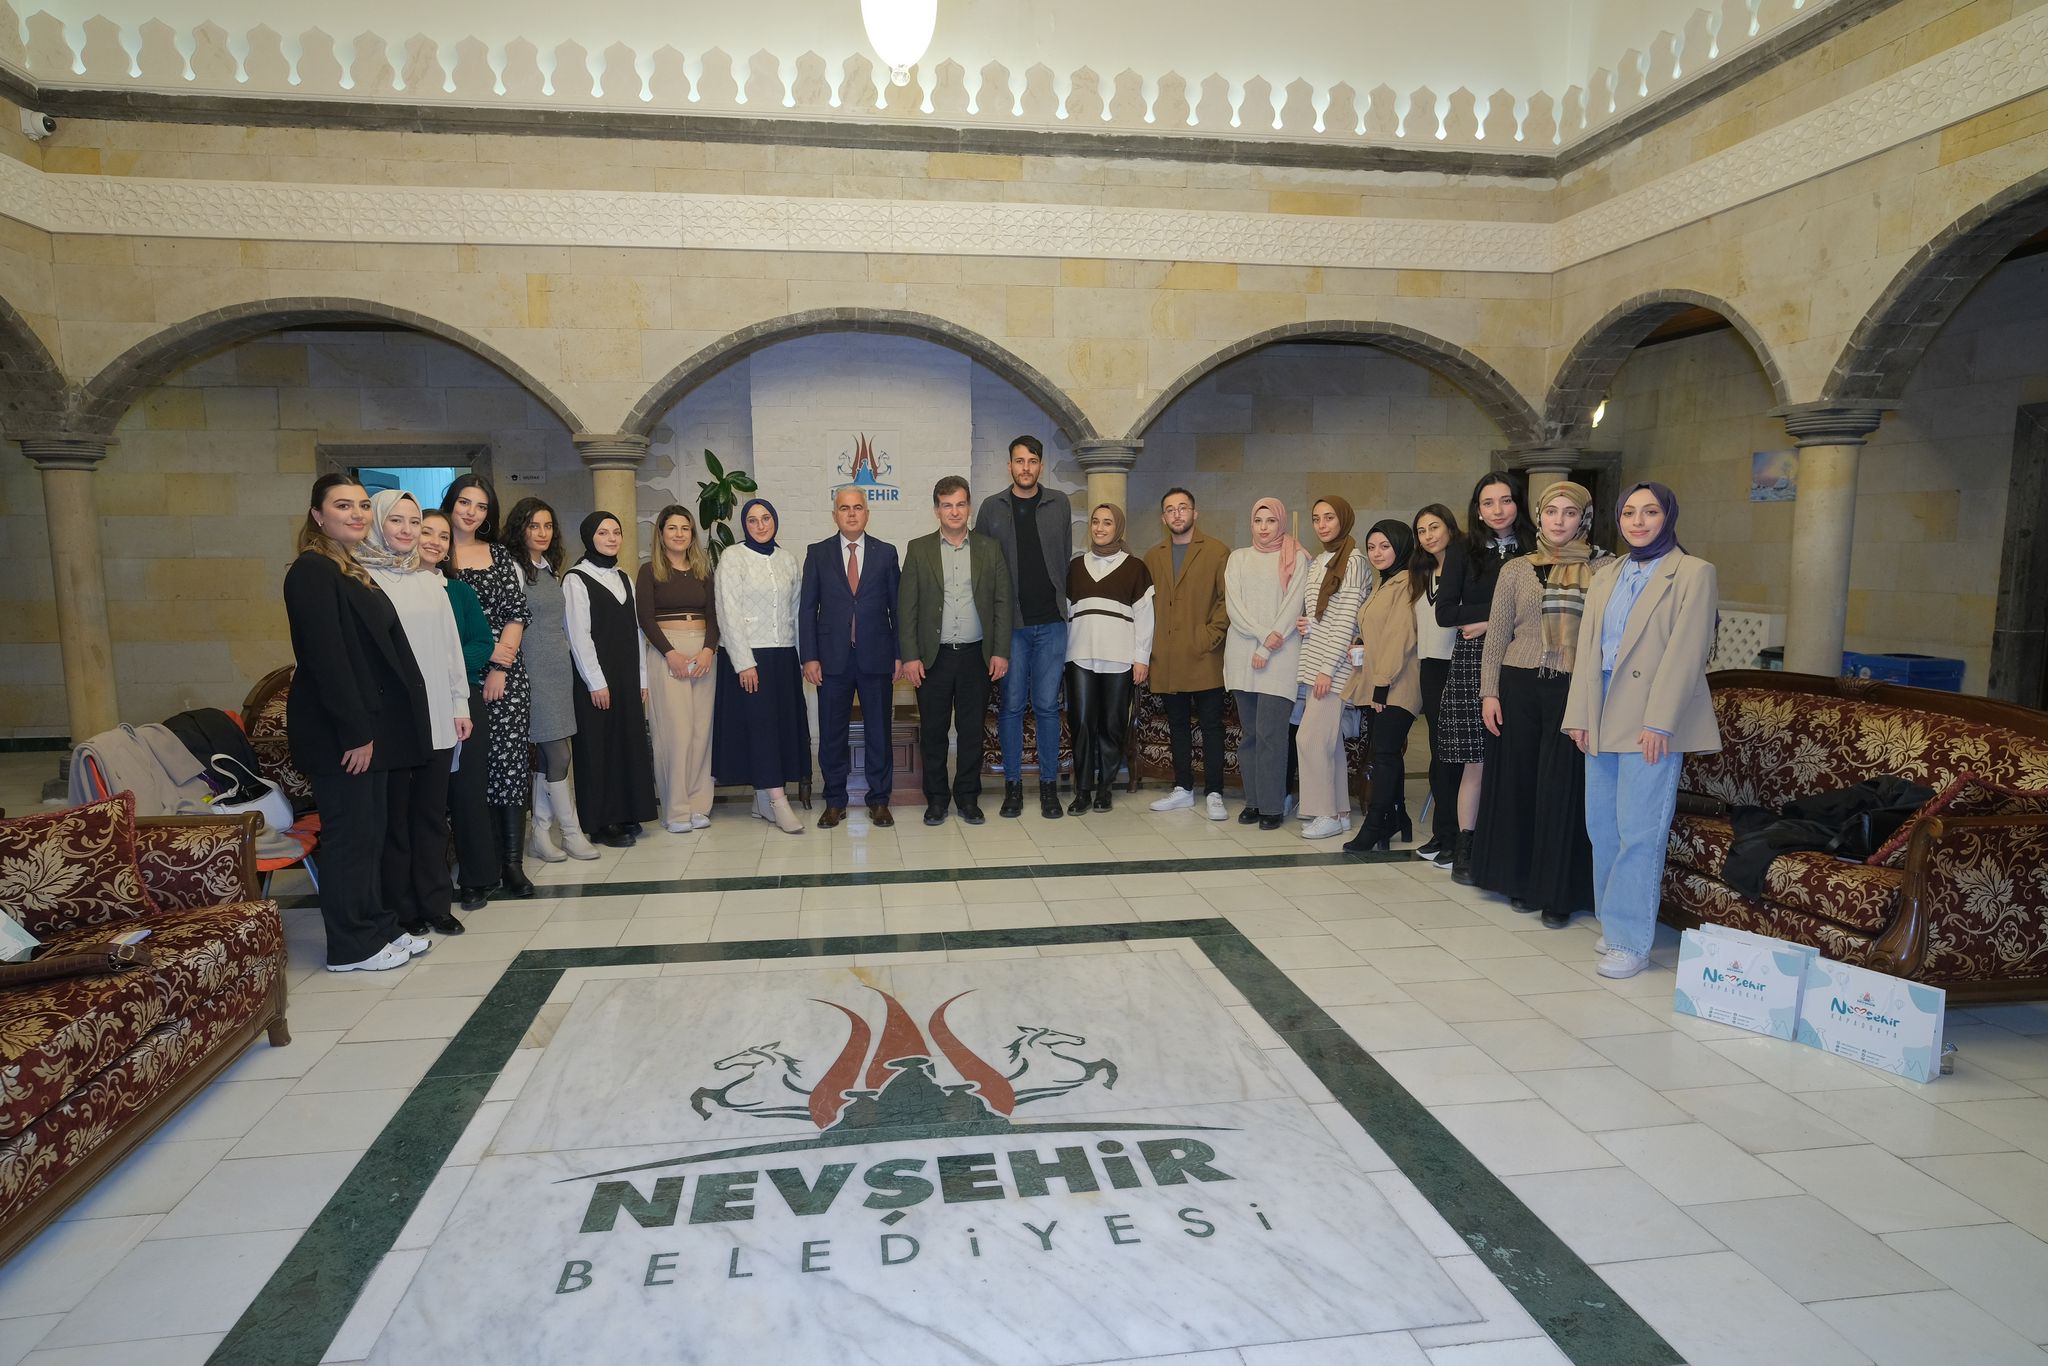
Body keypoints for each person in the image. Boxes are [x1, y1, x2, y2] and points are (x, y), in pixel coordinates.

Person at [1565, 483, 1721, 979]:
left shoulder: (1693, 572)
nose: (1638, 521)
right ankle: (1613, 923)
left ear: (1667, 516)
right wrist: (1579, 715)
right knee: (1601, 827)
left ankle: (1630, 941)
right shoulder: (1607, 574)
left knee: (1639, 831)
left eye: (1650, 512)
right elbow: (1587, 650)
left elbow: (1687, 652)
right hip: (1602, 709)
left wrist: (1661, 722)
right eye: (1629, 512)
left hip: (1651, 717)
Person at [282, 474, 432, 973]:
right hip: (342, 734)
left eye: (363, 505)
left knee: (372, 834)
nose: (357, 514)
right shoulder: (310, 572)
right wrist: (355, 732)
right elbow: (327, 659)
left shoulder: (348, 568)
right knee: (350, 839)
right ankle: (350, 946)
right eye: (343, 505)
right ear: (318, 515)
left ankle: (377, 924)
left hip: (372, 728)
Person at [1474, 480, 1607, 927]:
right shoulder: (1517, 569)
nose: (1559, 521)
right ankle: (1520, 880)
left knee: (1562, 787)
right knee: (1519, 783)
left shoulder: (1605, 567)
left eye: (1570, 513)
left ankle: (1557, 892)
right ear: (1539, 516)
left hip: (1574, 687)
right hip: (1519, 684)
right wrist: (1489, 692)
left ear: (1584, 518)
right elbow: (1497, 633)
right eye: (1552, 511)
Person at [353, 491, 468, 938]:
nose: (406, 530)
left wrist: (459, 703)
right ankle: (402, 910)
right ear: (378, 523)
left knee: (431, 816)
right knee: (396, 820)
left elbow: (450, 649)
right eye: (396, 520)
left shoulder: (428, 581)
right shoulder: (362, 579)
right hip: (394, 722)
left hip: (437, 713)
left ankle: (436, 904)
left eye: (414, 521)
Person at [1436, 471, 1535, 883]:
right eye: (1488, 503)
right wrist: (1492, 618)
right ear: (1477, 510)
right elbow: (1446, 612)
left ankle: (1511, 845)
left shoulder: (1536, 547)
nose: (1498, 510)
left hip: (1524, 656)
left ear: (1518, 504)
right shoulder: (1463, 549)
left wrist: (1492, 623)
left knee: (1517, 758)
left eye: (1506, 500)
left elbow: (1542, 610)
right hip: (1473, 659)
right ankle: (1467, 846)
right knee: (1475, 758)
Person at [441, 474, 536, 898]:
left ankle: (512, 864)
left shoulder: (499, 553)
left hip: (506, 675)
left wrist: (500, 665)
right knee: (469, 772)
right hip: (456, 674)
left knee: (509, 765)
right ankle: (476, 866)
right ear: (451, 502)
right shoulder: (435, 552)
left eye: (481, 507)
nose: (471, 513)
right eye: (465, 502)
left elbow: (517, 612)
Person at [900, 476, 1013, 826]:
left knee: (971, 732)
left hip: (975, 656)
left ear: (969, 507)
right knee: (933, 733)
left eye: (960, 504)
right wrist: (910, 656)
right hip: (932, 659)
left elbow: (1002, 602)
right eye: (947, 505)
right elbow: (907, 607)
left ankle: (967, 798)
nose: (954, 511)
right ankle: (936, 800)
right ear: (936, 510)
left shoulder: (989, 549)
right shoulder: (918, 549)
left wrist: (1000, 651)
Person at [975, 435, 1073, 820]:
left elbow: (1063, 555)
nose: (1026, 468)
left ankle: (1048, 788)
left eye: (1032, 461)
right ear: (1009, 466)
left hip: (1051, 623)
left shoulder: (1059, 503)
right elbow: (982, 566)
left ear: (1041, 466)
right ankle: (1013, 787)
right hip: (1011, 626)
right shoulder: (991, 507)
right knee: (1012, 706)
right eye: (1019, 461)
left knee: (1048, 707)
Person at [800, 487, 902, 829]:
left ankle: (879, 801)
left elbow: (897, 609)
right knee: (832, 734)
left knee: (878, 732)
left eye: (858, 507)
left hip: (877, 657)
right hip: (831, 660)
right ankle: (834, 802)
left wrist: (899, 654)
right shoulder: (818, 553)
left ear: (867, 513)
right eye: (845, 508)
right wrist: (809, 657)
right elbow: (807, 609)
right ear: (835, 515)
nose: (852, 513)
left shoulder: (886, 553)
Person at [503, 497, 598, 860]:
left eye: (547, 526)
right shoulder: (512, 569)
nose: (542, 533)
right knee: (558, 753)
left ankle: (541, 836)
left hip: (558, 670)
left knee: (548, 757)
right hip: (532, 671)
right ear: (520, 529)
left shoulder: (548, 568)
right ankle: (571, 833)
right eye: (533, 526)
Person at [713, 497, 810, 834]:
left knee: (779, 729)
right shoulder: (732, 557)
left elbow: (796, 612)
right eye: (752, 520)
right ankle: (778, 801)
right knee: (760, 729)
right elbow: (727, 611)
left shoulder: (787, 560)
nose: (760, 525)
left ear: (775, 521)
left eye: (766, 518)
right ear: (744, 525)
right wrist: (744, 663)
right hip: (750, 658)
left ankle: (762, 800)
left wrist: (802, 658)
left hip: (783, 656)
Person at [563, 512, 660, 845]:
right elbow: (578, 636)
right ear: (589, 537)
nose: (611, 538)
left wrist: (642, 678)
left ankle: (626, 812)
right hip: (596, 680)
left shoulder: (624, 578)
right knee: (598, 747)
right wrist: (596, 682)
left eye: (616, 532)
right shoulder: (576, 579)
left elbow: (637, 632)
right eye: (603, 533)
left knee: (626, 743)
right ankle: (601, 822)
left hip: (626, 676)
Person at [418, 509, 498, 910]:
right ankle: (427, 885)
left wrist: (446, 668)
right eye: (426, 532)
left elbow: (483, 643)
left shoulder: (460, 591)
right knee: (426, 801)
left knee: (468, 792)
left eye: (443, 536)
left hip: (462, 698)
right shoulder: (390, 589)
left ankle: (477, 878)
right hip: (417, 704)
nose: (434, 541)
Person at [1142, 487, 1231, 821]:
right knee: (1177, 724)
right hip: (1167, 657)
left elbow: (1226, 600)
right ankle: (1183, 787)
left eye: (1183, 508)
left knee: (1211, 725)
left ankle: (1214, 792)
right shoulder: (1153, 556)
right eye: (1170, 509)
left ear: (1195, 513)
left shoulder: (1217, 551)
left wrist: (1208, 636)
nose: (1177, 514)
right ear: (1163, 518)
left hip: (1205, 655)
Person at [1225, 497, 1311, 832]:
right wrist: (1264, 637)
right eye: (1258, 521)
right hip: (1242, 655)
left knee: (1272, 734)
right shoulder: (1238, 558)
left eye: (1271, 521)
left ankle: (1273, 806)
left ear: (1281, 523)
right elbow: (1234, 607)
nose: (1264, 527)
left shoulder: (1296, 558)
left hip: (1281, 656)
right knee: (1250, 734)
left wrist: (1270, 643)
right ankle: (1254, 801)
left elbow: (1294, 605)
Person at [1065, 504, 1155, 814]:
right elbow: (1067, 613)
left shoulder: (1135, 568)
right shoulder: (1076, 567)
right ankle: (1083, 790)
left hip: (1119, 658)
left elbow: (1145, 616)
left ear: (1118, 528)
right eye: (1095, 522)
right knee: (1081, 723)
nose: (1100, 528)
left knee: (1113, 724)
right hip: (1079, 655)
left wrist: (1141, 658)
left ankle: (1105, 788)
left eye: (1107, 523)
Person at [636, 505, 718, 834]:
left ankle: (699, 805)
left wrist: (709, 650)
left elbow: (714, 615)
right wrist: (670, 653)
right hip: (666, 652)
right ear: (661, 533)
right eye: (672, 528)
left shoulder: (703, 570)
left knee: (700, 732)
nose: (679, 534)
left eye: (685, 528)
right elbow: (645, 618)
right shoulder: (649, 571)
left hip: (703, 653)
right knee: (675, 733)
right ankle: (676, 810)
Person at [1342, 520, 1420, 853]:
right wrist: (1361, 642)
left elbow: (1400, 638)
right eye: (1371, 547)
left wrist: (1381, 685)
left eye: (1385, 546)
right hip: (1380, 681)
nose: (1376, 553)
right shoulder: (1384, 582)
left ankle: (1376, 824)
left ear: (1401, 546)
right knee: (1388, 753)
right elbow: (1377, 630)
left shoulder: (1407, 582)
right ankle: (1398, 815)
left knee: (1385, 755)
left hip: (1396, 682)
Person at [1295, 496, 1370, 841]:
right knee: (1330, 743)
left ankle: (1323, 813)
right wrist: (1309, 624)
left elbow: (1347, 620)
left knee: (1309, 739)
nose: (1322, 524)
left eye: (1329, 517)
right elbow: (1324, 613)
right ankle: (1339, 812)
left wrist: (1327, 668)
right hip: (1317, 661)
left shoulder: (1353, 560)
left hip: (1333, 668)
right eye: (1316, 518)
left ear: (1344, 519)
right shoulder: (1322, 559)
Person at [1408, 504, 1464, 867]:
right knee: (1437, 755)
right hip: (1429, 667)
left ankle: (1459, 837)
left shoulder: (1465, 570)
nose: (1428, 536)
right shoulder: (1421, 573)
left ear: (1450, 528)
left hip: (1458, 666)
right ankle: (1442, 833)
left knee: (1454, 757)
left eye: (1434, 527)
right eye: (1422, 530)